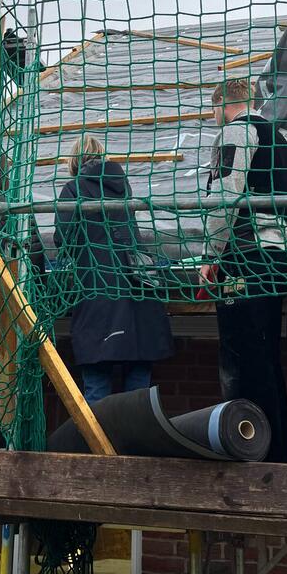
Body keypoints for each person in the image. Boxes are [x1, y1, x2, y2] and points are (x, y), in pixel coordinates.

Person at [199, 78, 287, 463]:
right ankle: (279, 455)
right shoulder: (280, 140)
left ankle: (250, 454)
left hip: (245, 258)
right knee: (266, 361)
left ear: (222, 105)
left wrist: (210, 254)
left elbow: (225, 195)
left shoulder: (235, 133)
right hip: (276, 259)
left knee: (241, 365)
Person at [54, 135, 173, 401]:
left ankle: (99, 433)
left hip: (99, 296)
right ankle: (134, 432)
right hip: (139, 297)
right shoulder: (123, 185)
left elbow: (63, 239)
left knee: (97, 391)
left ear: (74, 162)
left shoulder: (73, 189)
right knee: (138, 397)